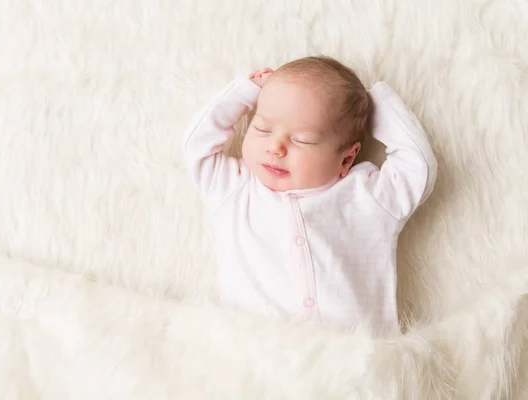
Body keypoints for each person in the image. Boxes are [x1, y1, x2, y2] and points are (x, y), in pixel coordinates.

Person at [182, 56, 437, 337]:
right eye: (262, 129)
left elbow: (417, 165)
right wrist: (247, 91)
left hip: (357, 357)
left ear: (346, 158)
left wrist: (376, 103)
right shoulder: (234, 189)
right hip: (255, 353)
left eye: (302, 139)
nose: (276, 147)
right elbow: (196, 145)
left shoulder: (367, 196)